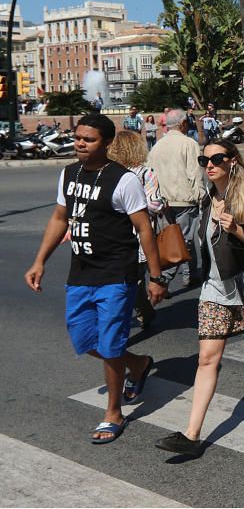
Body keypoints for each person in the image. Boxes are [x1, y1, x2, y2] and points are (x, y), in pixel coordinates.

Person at [25, 114, 166, 443]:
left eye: (88, 139)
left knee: (110, 342)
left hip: (117, 273)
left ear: (105, 144)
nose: (79, 143)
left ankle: (113, 413)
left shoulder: (123, 180)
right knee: (84, 340)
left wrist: (156, 277)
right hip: (81, 273)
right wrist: (39, 261)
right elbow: (60, 217)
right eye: (77, 137)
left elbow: (145, 228)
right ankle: (138, 363)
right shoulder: (69, 174)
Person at [154, 139, 244, 456]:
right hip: (214, 290)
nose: (209, 165)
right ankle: (192, 434)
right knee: (207, 358)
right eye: (204, 160)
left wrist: (238, 230)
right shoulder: (208, 198)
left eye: (217, 159)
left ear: (232, 161)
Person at [108, 130, 164, 330]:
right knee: (130, 281)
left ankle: (139, 312)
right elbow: (156, 204)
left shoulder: (144, 173)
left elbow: (155, 204)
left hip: (137, 237)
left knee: (133, 280)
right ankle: (143, 311)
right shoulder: (110, 172)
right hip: (116, 236)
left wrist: (131, 207)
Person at [148, 109, 203, 293]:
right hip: (184, 199)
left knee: (172, 241)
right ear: (183, 124)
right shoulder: (189, 143)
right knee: (181, 243)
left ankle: (192, 275)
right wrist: (200, 196)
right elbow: (195, 174)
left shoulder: (157, 146)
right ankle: (162, 280)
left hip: (163, 202)